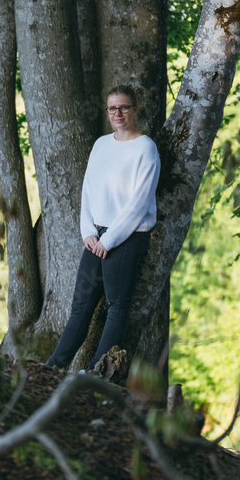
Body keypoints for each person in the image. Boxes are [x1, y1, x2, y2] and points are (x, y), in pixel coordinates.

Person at [45, 85, 161, 371]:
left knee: (117, 307)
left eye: (123, 107)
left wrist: (107, 241)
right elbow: (88, 191)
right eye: (112, 108)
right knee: (80, 309)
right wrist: (88, 232)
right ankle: (52, 368)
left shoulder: (145, 148)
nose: (117, 113)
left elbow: (138, 204)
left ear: (135, 109)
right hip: (96, 238)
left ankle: (95, 372)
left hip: (127, 239)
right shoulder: (100, 145)